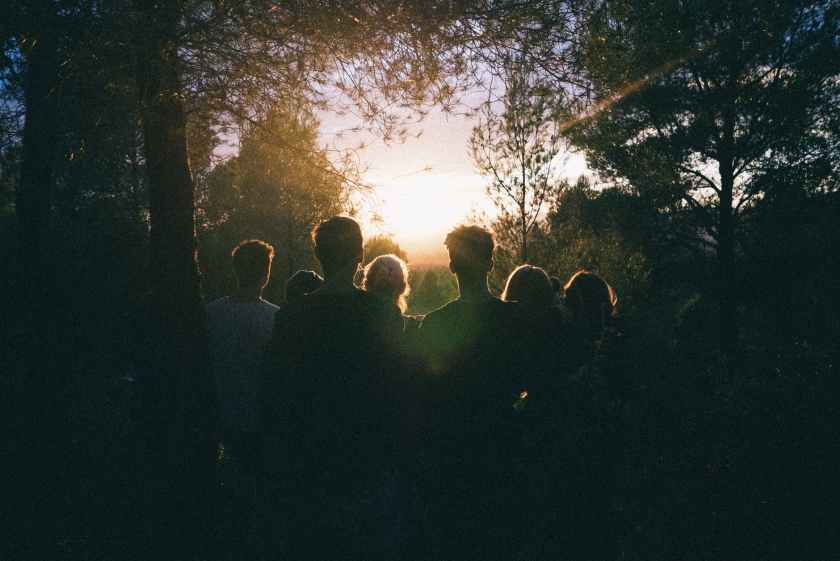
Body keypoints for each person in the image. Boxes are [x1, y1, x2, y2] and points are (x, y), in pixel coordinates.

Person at [261, 216, 404, 560]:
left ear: (318, 255)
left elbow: (275, 395)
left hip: (308, 462)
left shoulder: (291, 317)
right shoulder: (384, 314)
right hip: (367, 461)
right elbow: (396, 392)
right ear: (360, 254)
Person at [418, 225, 527, 559]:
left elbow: (426, 392)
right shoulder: (516, 318)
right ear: (491, 263)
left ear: (452, 266)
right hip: (504, 443)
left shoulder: (435, 323)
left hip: (452, 449)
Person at [206, 239, 279, 473]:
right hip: (261, 424)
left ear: (235, 270)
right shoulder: (276, 319)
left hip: (217, 421)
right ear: (266, 274)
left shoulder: (211, 314)